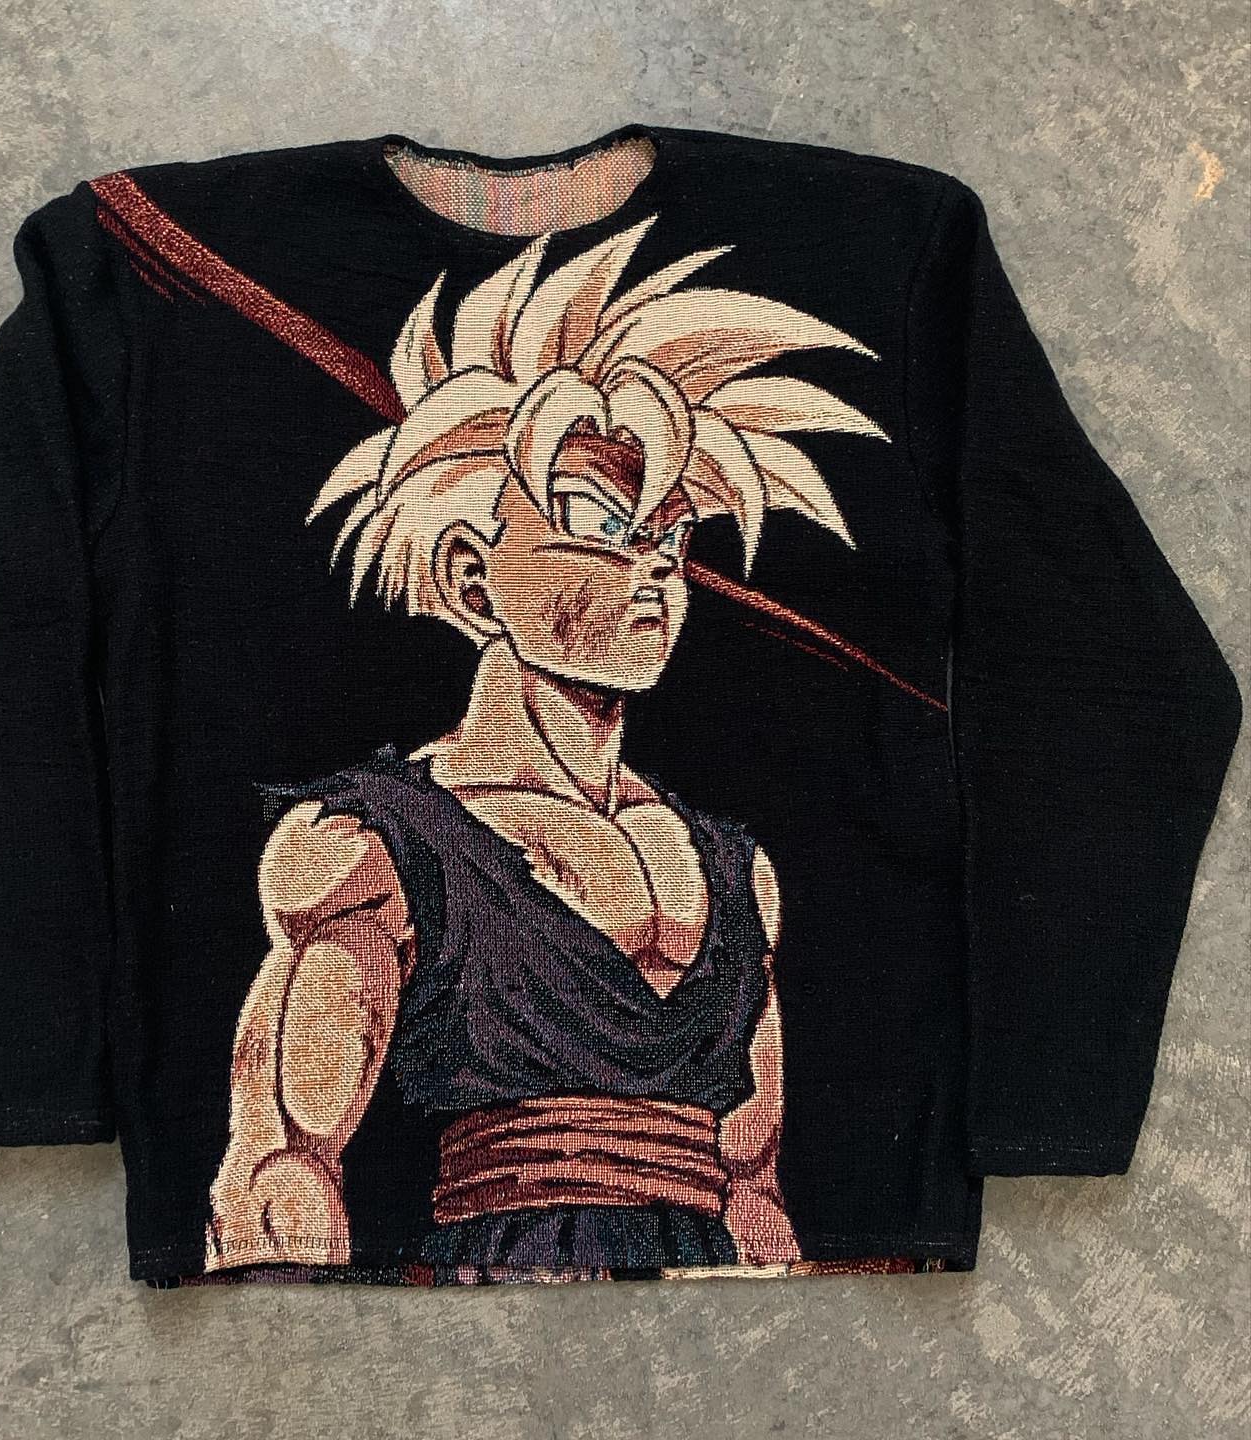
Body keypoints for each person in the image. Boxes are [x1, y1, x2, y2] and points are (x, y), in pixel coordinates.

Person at [202, 214, 894, 1280]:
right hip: (493, 1310)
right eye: (601, 525)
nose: (653, 569)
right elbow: (280, 1171)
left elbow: (754, 1195)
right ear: (474, 579)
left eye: (671, 535)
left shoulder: (732, 871)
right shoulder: (369, 848)